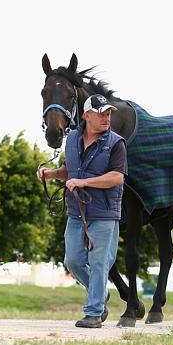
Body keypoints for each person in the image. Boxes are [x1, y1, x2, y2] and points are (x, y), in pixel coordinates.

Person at [37, 94, 127, 328]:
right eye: (101, 113)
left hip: (104, 213)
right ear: (87, 115)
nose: (106, 118)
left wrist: (84, 183)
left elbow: (116, 177)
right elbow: (72, 170)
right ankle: (100, 294)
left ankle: (94, 312)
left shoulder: (116, 143)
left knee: (98, 262)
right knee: (73, 261)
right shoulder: (74, 138)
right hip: (77, 211)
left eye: (109, 114)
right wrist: (52, 174)